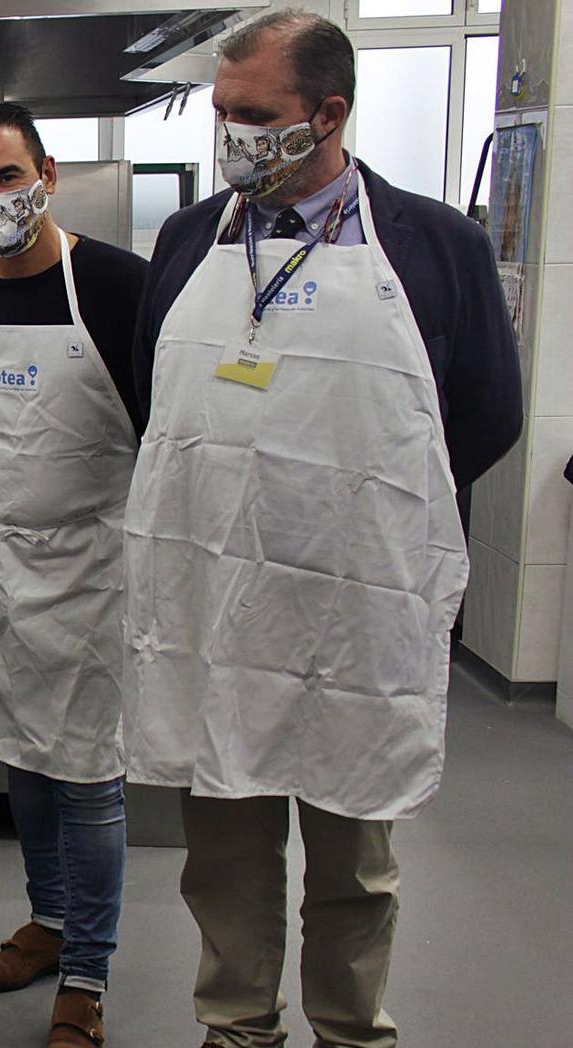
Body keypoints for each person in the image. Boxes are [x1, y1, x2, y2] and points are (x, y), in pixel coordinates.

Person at [126, 12, 522, 1048]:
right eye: (219, 114)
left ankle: (349, 1029)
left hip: (352, 610)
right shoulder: (185, 239)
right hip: (223, 604)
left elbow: (481, 413)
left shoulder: (436, 246)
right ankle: (235, 1026)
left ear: (326, 113)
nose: (231, 137)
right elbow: (154, 400)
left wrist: (357, 514)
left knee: (354, 856)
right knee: (223, 847)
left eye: (253, 116)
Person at [0, 102, 148, 1048]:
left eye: (6, 178)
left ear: (47, 173)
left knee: (92, 777)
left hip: (93, 561)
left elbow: (159, 434)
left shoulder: (117, 285)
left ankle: (88, 974)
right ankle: (48, 923)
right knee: (18, 756)